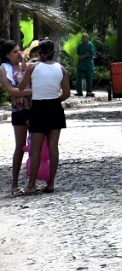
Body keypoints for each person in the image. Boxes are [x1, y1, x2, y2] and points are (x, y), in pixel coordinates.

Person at [18, 38, 70, 195]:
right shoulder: (61, 69)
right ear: (54, 52)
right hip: (55, 108)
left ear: (39, 52)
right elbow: (66, 93)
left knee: (36, 149)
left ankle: (31, 184)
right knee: (54, 147)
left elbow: (21, 87)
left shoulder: (33, 68)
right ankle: (51, 183)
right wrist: (54, 100)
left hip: (38, 108)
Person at [0, 40, 33, 196]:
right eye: (15, 52)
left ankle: (32, 182)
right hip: (19, 110)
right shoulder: (4, 69)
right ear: (7, 55)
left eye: (19, 50)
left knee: (36, 145)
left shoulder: (27, 66)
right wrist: (32, 92)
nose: (19, 54)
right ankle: (14, 184)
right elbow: (11, 91)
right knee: (20, 146)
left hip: (33, 109)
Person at [75, 33, 96, 97]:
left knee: (89, 78)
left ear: (87, 38)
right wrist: (79, 56)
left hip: (88, 64)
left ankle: (89, 92)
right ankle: (79, 92)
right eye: (83, 37)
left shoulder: (90, 45)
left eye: (85, 37)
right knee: (78, 77)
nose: (84, 39)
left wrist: (86, 55)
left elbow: (93, 53)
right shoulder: (80, 45)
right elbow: (77, 52)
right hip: (81, 64)